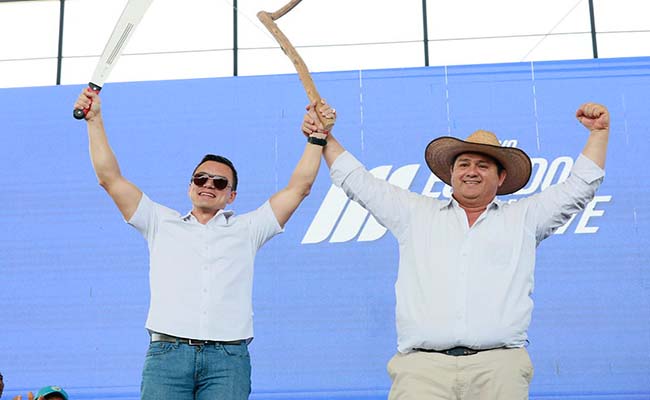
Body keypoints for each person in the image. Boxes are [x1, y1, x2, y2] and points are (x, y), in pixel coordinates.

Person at [302, 101, 609, 399]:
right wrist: (323, 137)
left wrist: (598, 133)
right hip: (422, 370)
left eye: (482, 165)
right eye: (463, 164)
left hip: (498, 368)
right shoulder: (414, 213)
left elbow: (579, 188)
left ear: (501, 177)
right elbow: (359, 182)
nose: (471, 171)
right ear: (450, 174)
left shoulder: (524, 219)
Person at [73, 89, 334, 400]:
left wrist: (317, 139)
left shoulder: (249, 228)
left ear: (231, 195)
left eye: (220, 182)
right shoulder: (159, 221)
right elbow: (109, 178)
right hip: (167, 356)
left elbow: (299, 188)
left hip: (228, 360)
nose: (209, 185)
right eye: (201, 178)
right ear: (190, 185)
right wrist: (94, 120)